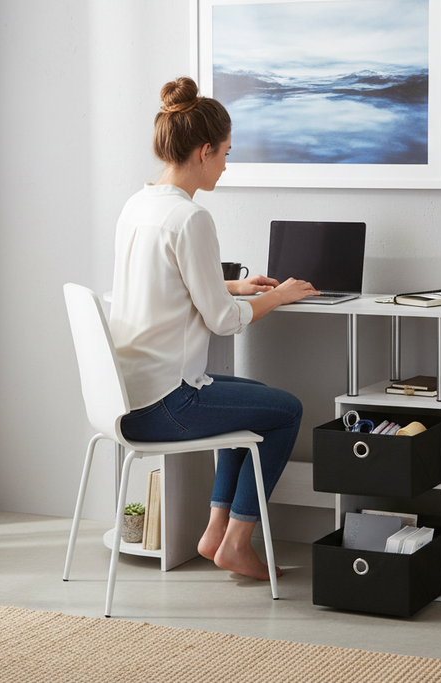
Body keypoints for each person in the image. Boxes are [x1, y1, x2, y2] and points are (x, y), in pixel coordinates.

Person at [108, 76, 319, 581]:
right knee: (285, 411)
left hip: (129, 398)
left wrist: (237, 287)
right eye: (225, 152)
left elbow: (170, 290)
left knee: (255, 397)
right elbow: (222, 324)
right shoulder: (189, 218)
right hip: (168, 405)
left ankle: (214, 530)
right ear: (204, 151)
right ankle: (237, 544)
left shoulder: (137, 206)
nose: (226, 165)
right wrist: (279, 296)